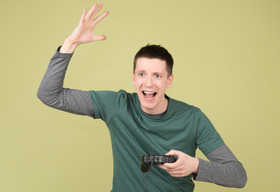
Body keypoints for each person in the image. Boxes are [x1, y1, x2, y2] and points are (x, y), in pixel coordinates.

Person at [37, 3, 247, 191]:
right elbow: (49, 94)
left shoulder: (193, 118)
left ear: (169, 81)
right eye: (142, 74)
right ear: (133, 78)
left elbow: (238, 176)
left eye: (157, 75)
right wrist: (71, 43)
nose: (148, 83)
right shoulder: (116, 106)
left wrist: (194, 165)